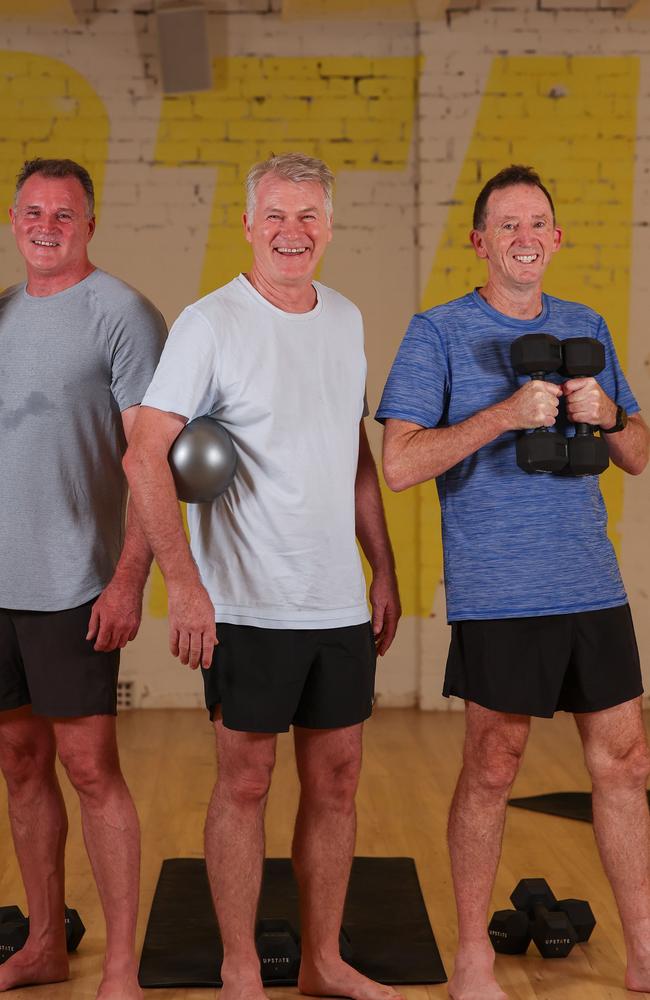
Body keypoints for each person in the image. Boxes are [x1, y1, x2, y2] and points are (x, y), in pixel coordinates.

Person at [123, 152, 402, 1000]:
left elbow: (353, 452)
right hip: (244, 601)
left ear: (329, 225)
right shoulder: (210, 323)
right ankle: (240, 965)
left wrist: (381, 566)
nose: (292, 231)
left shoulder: (347, 317)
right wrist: (186, 584)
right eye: (275, 215)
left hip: (335, 601)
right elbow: (145, 455)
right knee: (244, 781)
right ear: (247, 224)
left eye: (308, 216)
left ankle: (322, 960)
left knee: (339, 780)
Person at [377, 164, 650, 1000]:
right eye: (507, 224)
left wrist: (608, 416)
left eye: (538, 222)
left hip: (591, 587)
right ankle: (470, 958)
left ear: (556, 238)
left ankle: (644, 950)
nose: (524, 236)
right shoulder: (438, 332)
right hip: (500, 591)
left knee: (627, 763)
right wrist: (503, 415)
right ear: (481, 240)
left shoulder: (585, 323)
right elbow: (398, 464)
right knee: (493, 765)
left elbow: (637, 452)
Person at [0, 158, 166, 1000]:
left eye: (64, 214)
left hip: (75, 584)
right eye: (33, 210)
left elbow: (150, 460)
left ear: (89, 224)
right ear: (13, 217)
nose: (46, 225)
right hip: (0, 588)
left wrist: (129, 578)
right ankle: (42, 944)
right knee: (20, 761)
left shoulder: (124, 315)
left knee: (91, 767)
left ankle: (125, 969)